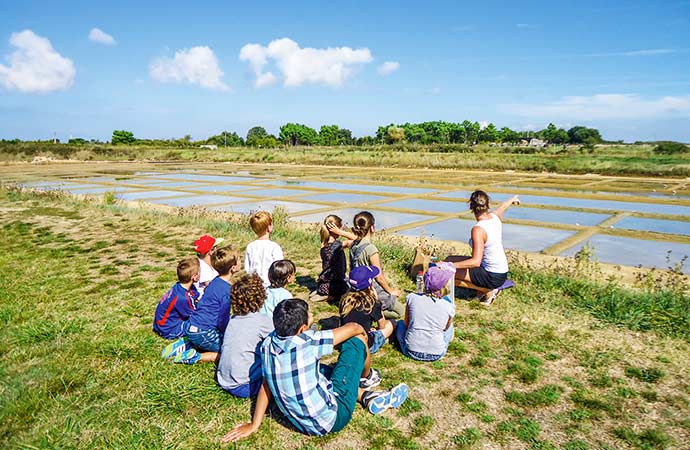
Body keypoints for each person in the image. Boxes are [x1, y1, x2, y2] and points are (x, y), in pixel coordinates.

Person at [221, 298, 409, 442]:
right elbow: (353, 327)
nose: (312, 316)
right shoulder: (308, 342)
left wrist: (255, 424)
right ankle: (367, 377)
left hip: (301, 422)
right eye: (309, 315)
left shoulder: (268, 344)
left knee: (321, 370)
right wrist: (361, 332)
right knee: (356, 342)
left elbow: (266, 383)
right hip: (332, 419)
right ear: (302, 328)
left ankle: (366, 396)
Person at [168, 245, 240, 364]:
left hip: (192, 326)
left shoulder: (214, 281)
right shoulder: (226, 292)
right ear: (233, 268)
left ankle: (187, 343)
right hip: (203, 332)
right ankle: (195, 356)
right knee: (230, 350)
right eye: (239, 259)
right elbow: (222, 320)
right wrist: (227, 333)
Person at [446, 190, 519, 306]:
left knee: (447, 272)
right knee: (449, 258)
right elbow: (503, 207)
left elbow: (475, 262)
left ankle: (488, 290)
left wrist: (449, 266)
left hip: (492, 275)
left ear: (471, 207)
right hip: (502, 271)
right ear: (487, 204)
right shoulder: (494, 217)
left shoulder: (478, 230)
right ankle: (482, 290)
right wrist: (512, 199)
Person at [216, 272, 274, 398]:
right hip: (244, 386)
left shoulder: (233, 319)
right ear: (261, 297)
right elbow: (281, 340)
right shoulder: (263, 321)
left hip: (223, 378)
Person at [346, 211, 404, 319]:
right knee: (402, 312)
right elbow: (379, 277)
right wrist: (390, 292)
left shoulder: (353, 245)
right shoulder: (371, 249)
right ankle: (372, 313)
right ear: (372, 228)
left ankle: (365, 309)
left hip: (357, 287)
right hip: (372, 289)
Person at [395, 263, 456, 362]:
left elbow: (406, 323)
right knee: (450, 328)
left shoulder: (412, 298)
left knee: (400, 324)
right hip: (436, 353)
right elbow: (446, 328)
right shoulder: (448, 306)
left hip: (410, 350)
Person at [340, 266, 395, 358]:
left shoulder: (345, 300)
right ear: (370, 285)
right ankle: (381, 340)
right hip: (365, 344)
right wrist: (377, 301)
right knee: (392, 323)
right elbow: (382, 326)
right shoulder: (371, 303)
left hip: (345, 340)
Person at [310, 214, 355, 303]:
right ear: (335, 229)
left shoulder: (323, 244)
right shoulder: (337, 246)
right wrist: (341, 233)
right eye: (340, 228)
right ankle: (331, 295)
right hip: (334, 286)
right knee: (351, 285)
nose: (342, 230)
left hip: (323, 285)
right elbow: (358, 240)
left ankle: (321, 292)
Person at [154, 256, 200, 341]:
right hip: (169, 329)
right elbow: (195, 315)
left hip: (162, 324)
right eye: (199, 272)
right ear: (194, 276)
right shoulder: (182, 298)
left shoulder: (180, 286)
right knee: (200, 325)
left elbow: (196, 296)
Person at [244, 211, 284, 287]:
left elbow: (247, 268)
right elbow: (280, 267)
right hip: (270, 284)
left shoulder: (250, 246)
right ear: (269, 227)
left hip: (254, 284)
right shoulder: (274, 247)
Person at [193, 234, 224, 300]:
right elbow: (212, 287)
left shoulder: (209, 264)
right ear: (210, 252)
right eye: (216, 247)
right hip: (206, 303)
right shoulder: (203, 268)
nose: (218, 249)